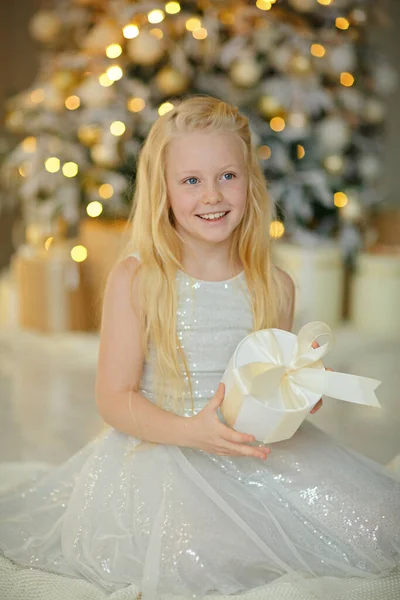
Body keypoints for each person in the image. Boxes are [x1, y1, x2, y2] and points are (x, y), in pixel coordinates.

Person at [0, 96, 399, 600]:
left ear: (250, 182)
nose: (212, 194)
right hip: (164, 448)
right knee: (194, 553)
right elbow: (113, 397)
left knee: (372, 521)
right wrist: (191, 432)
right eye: (191, 180)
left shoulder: (273, 286)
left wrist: (292, 398)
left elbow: (265, 381)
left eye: (227, 176)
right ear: (163, 190)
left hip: (250, 451)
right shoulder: (139, 279)